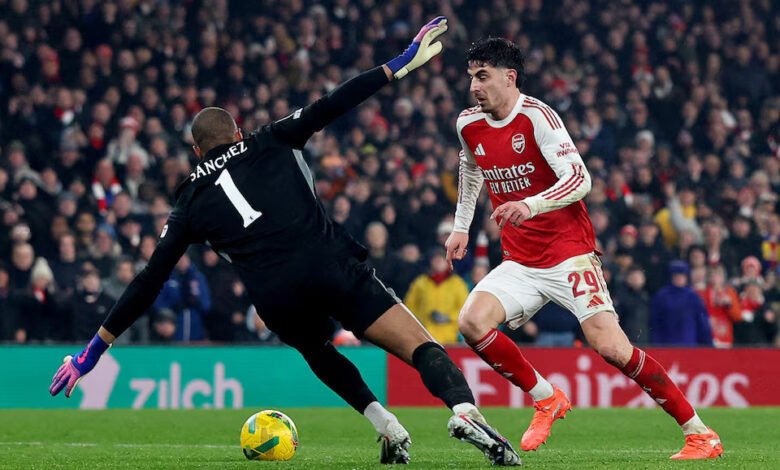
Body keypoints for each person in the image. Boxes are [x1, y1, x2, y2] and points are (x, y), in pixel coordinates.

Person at [49, 18, 520, 467]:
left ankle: (388, 426)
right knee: (420, 347)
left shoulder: (188, 201)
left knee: (319, 350)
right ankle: (463, 412)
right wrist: (397, 64)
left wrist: (92, 353)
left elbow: (149, 280)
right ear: (236, 133)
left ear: (196, 152)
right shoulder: (268, 139)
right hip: (328, 263)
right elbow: (333, 102)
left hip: (275, 297)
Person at [445, 38, 722, 460]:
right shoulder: (468, 124)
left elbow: (580, 180)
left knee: (612, 348)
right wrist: (461, 226)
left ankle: (700, 434)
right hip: (519, 259)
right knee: (471, 321)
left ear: (509, 77)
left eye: (482, 77)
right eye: (471, 77)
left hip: (568, 252)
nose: (474, 87)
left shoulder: (538, 118)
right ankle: (546, 397)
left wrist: (530, 204)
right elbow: (470, 167)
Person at [650, 261, 714, 346]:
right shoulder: (661, 296)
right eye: (676, 275)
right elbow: (655, 323)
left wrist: (708, 344)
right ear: (671, 277)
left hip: (689, 346)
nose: (679, 278)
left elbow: (702, 323)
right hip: (666, 346)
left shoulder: (693, 297)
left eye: (682, 275)